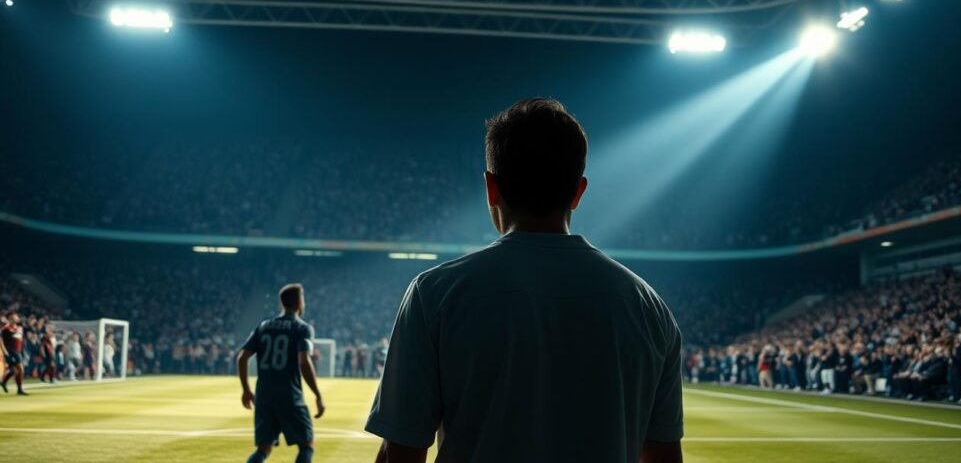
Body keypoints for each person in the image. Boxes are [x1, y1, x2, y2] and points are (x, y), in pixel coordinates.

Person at [366, 98, 684, 463]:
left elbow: (401, 453)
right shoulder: (649, 308)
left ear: (491, 188)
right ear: (578, 192)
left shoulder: (435, 294)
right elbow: (664, 456)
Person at [237, 283, 326, 463]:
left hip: (263, 396)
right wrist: (317, 394)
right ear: (300, 302)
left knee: (263, 449)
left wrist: (246, 389)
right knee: (307, 445)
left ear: (282, 303)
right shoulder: (302, 328)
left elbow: (242, 358)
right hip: (289, 395)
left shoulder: (264, 326)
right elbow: (304, 361)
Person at [1, 311, 29, 395]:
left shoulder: (20, 328)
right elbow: (1, 341)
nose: (14, 319)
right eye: (12, 318)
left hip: (18, 351)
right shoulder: (5, 329)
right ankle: (19, 390)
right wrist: (5, 352)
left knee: (15, 371)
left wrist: (23, 350)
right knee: (19, 369)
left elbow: (21, 340)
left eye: (15, 317)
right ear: (9, 319)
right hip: (10, 351)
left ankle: (3, 382)